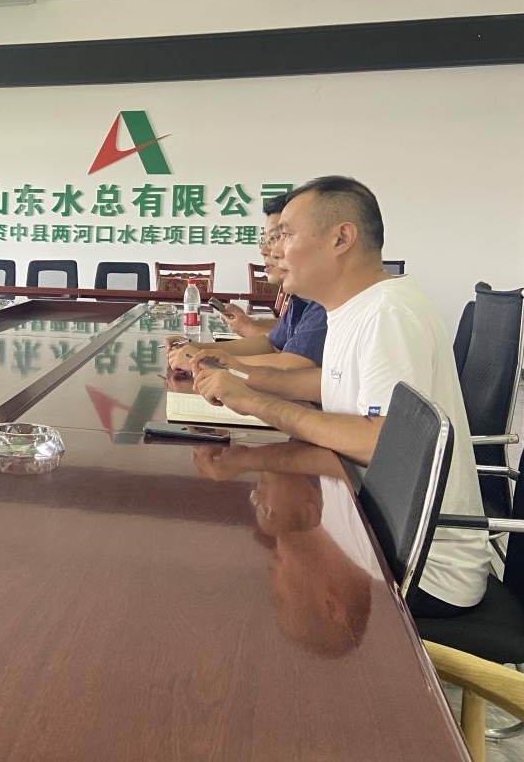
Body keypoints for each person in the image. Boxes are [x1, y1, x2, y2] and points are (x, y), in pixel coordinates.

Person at [190, 175, 488, 617]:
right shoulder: (356, 308)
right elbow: (325, 383)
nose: (274, 250)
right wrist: (239, 376)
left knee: (231, 582)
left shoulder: (388, 314)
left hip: (420, 567)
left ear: (341, 238)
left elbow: (379, 442)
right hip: (379, 526)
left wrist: (253, 403)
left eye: (284, 234)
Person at [165, 194, 327, 373]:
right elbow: (271, 344)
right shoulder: (302, 296)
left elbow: (296, 365)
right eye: (266, 240)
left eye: (280, 237)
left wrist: (204, 361)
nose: (266, 251)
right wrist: (197, 348)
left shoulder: (326, 300)